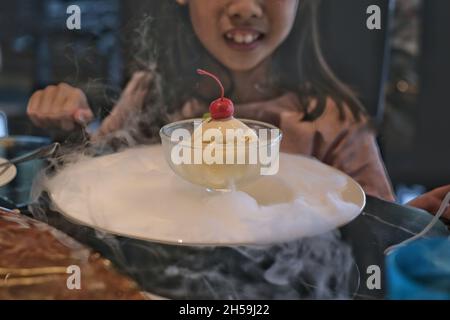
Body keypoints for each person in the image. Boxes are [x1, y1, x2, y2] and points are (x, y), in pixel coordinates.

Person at [25, 0, 449, 219]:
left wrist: (415, 225)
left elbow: (375, 229)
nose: (244, 5)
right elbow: (89, 192)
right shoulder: (149, 94)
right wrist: (70, 135)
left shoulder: (335, 118)